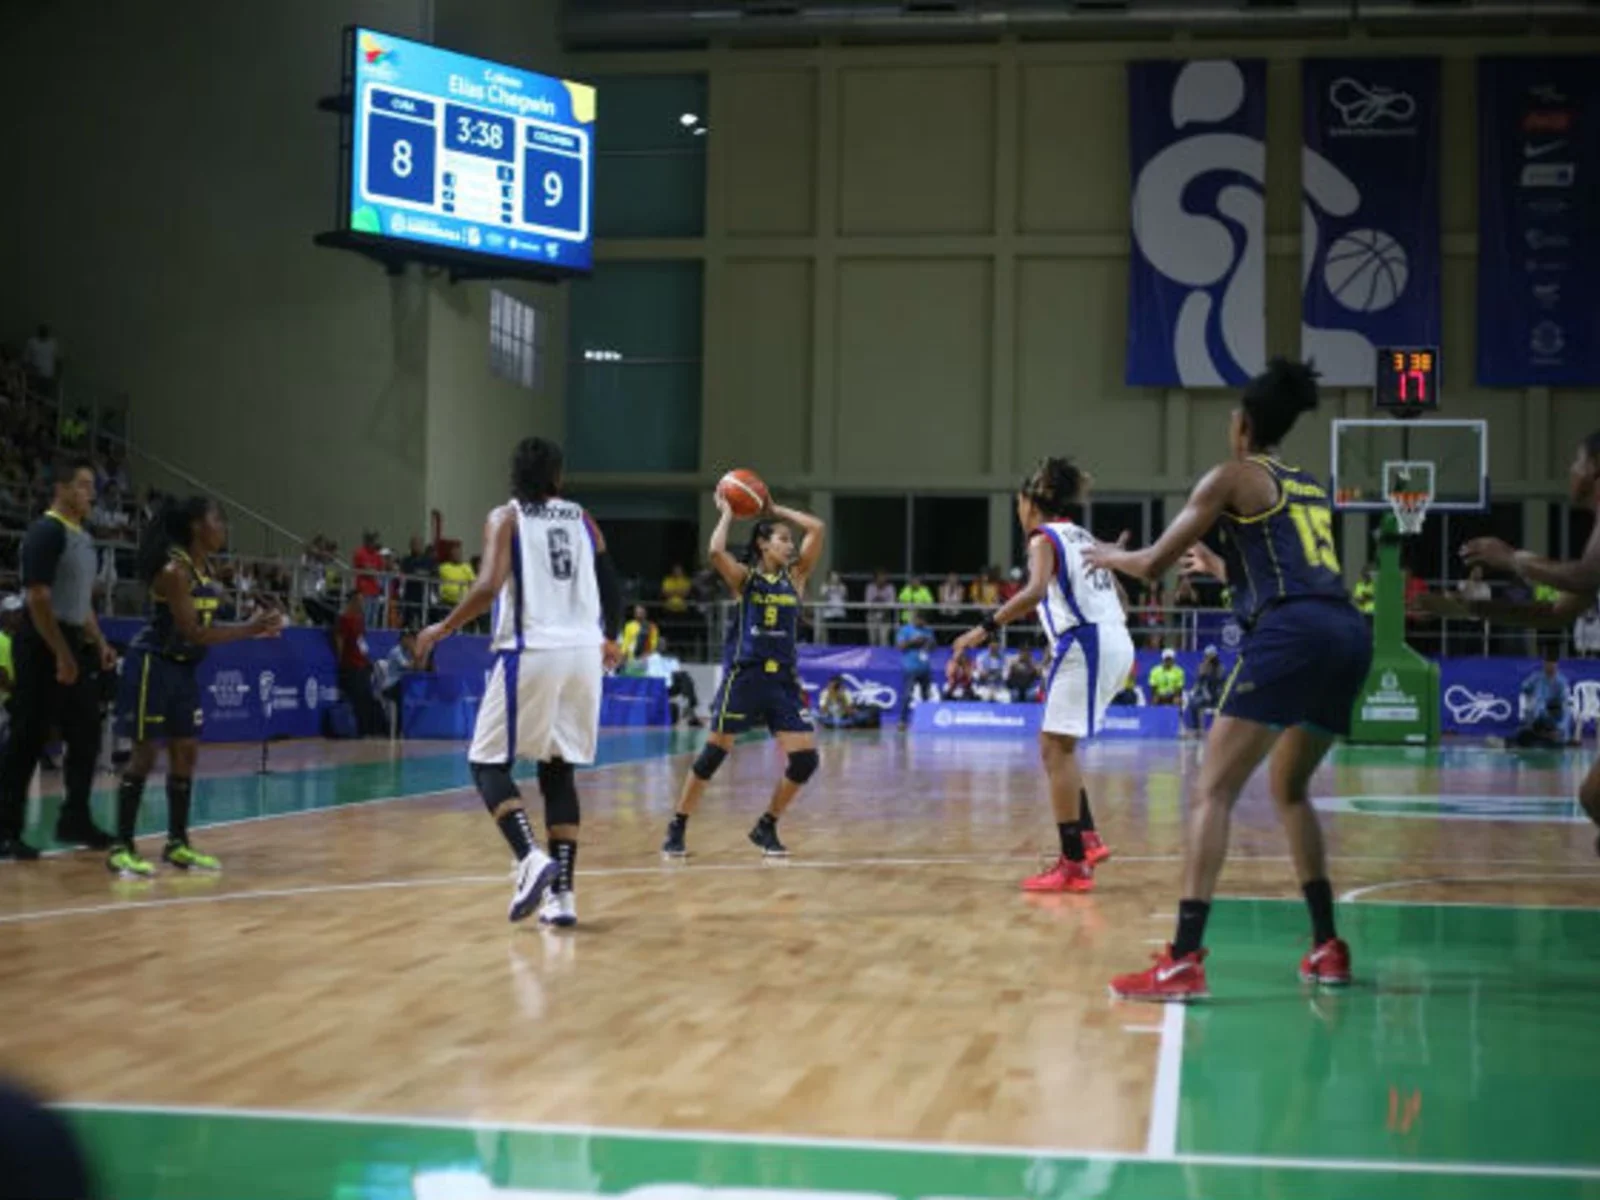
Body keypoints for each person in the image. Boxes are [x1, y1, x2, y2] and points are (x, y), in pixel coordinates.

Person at [1085, 358, 1371, 1000]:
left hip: (1293, 633)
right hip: (1348, 633)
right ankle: (1328, 945)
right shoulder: (1307, 484)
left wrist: (1107, 556)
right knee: (1289, 788)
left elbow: (1154, 565)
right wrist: (1223, 566)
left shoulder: (1232, 475)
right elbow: (1289, 571)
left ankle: (1183, 958)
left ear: (1240, 425)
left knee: (1212, 791)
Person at [416, 437, 623, 928]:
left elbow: (488, 586)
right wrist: (611, 636)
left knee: (485, 761)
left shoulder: (505, 518)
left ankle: (530, 858)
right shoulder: (582, 517)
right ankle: (563, 898)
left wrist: (442, 628)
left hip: (534, 649)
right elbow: (610, 578)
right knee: (558, 772)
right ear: (556, 476)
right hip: (583, 653)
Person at [951, 458, 1130, 893]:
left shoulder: (1042, 538)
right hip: (1111, 638)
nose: (1017, 510)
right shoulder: (1083, 536)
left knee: (1054, 748)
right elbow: (1121, 597)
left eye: (1018, 503)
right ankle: (1085, 838)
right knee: (1057, 746)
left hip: (1086, 641)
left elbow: (1032, 592)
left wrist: (982, 629)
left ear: (1031, 503)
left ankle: (1074, 862)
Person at [108, 498, 283, 877]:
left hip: (184, 670)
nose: (223, 527)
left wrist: (254, 621)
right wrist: (251, 628)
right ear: (195, 526)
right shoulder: (174, 570)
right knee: (144, 756)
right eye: (217, 519)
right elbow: (193, 631)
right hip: (153, 665)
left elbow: (205, 623)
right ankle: (121, 846)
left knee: (185, 753)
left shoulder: (203, 569)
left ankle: (178, 844)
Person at [662, 493, 825, 859]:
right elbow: (716, 552)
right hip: (746, 677)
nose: (790, 544)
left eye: (790, 539)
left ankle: (766, 825)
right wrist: (728, 514)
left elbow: (817, 527)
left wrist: (774, 508)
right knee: (712, 756)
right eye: (782, 538)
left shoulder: (796, 578)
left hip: (782, 681)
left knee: (805, 761)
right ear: (762, 544)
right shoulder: (746, 580)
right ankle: (678, 824)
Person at [0, 456, 119, 860]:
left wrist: (99, 641)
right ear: (62, 489)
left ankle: (75, 819)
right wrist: (61, 654)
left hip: (70, 639)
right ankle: (6, 829)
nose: (90, 494)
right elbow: (37, 597)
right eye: (83, 485)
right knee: (27, 738)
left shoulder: (84, 540)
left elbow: (81, 602)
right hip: (40, 640)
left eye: (93, 487)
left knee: (86, 732)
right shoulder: (45, 532)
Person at [333, 592, 386, 736]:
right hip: (351, 665)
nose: (363, 604)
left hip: (363, 664)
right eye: (360, 601)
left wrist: (367, 658)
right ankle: (361, 731)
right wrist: (341, 662)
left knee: (367, 697)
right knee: (358, 700)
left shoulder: (360, 619)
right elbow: (340, 642)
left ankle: (372, 729)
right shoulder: (343, 619)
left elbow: (361, 641)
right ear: (352, 601)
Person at [1513, 654, 1572, 749]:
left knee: (1563, 716)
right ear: (1544, 664)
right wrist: (1528, 695)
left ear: (1556, 666)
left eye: (1553, 664)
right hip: (1538, 719)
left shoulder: (1561, 681)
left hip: (1554, 716)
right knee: (1523, 734)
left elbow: (1565, 705)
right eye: (1547, 664)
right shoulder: (1537, 677)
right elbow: (1524, 687)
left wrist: (1560, 728)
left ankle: (1556, 735)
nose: (1550, 666)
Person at [896, 610, 936, 728]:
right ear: (915, 619)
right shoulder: (905, 630)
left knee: (926, 695)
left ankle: (926, 721)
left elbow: (933, 647)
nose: (921, 623)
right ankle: (902, 721)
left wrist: (928, 643)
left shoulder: (928, 631)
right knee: (907, 695)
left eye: (924, 621)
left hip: (925, 668)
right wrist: (914, 641)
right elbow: (900, 646)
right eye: (919, 620)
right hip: (910, 668)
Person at [1187, 646, 1224, 734]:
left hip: (1216, 695)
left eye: (1211, 656)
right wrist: (1203, 672)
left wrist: (1209, 672)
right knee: (1193, 704)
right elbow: (1199, 682)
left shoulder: (1220, 668)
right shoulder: (1202, 666)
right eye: (1207, 656)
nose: (1208, 658)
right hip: (1205, 695)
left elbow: (1219, 682)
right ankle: (1196, 728)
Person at [864, 570, 896, 647]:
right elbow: (867, 602)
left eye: (884, 577)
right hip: (872, 616)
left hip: (885, 616)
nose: (882, 579)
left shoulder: (890, 588)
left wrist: (879, 599)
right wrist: (879, 599)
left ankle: (884, 658)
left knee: (884, 640)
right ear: (875, 578)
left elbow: (891, 603)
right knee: (873, 640)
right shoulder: (870, 587)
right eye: (880, 577)